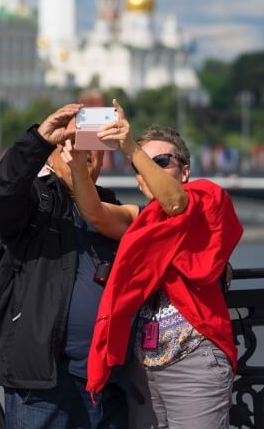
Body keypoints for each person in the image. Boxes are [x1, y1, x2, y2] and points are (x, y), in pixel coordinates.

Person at [61, 100, 243, 429]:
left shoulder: (206, 200)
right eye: (142, 166)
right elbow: (95, 213)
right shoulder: (141, 218)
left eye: (160, 161)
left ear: (184, 170)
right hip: (143, 370)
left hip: (194, 362)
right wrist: (76, 167)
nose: (148, 170)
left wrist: (130, 147)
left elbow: (176, 203)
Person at [0, 103, 128, 429]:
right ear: (53, 156)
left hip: (107, 380)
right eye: (72, 146)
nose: (84, 156)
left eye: (93, 151)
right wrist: (39, 139)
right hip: (45, 381)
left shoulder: (110, 207)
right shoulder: (35, 200)